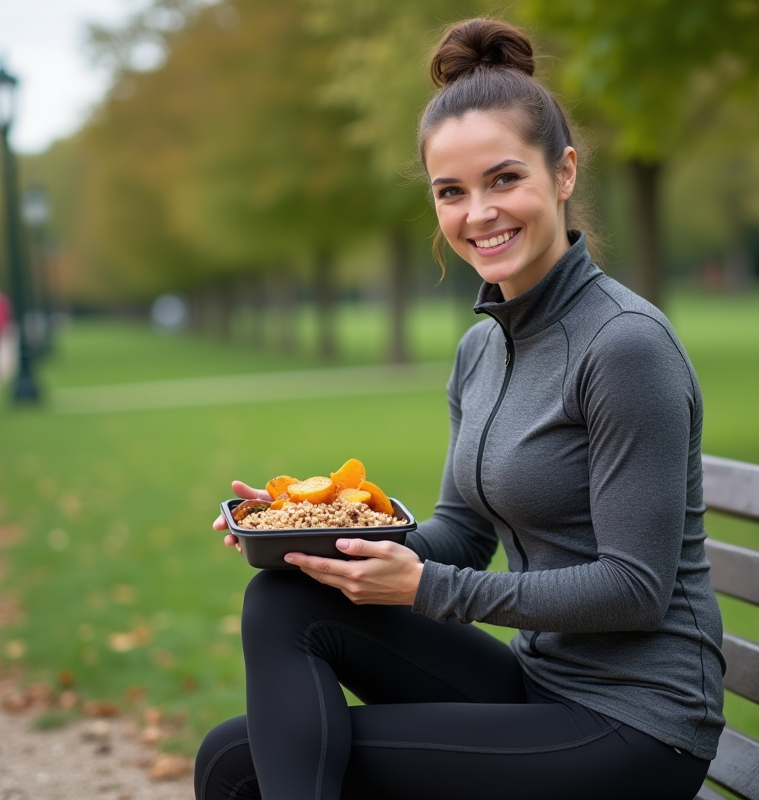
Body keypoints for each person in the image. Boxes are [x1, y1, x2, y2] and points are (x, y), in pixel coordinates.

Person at [197, 19, 724, 800]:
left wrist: (425, 588)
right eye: (453, 192)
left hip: (639, 725)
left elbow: (635, 589)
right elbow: (464, 533)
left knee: (241, 767)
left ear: (564, 173)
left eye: (504, 179)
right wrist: (311, 532)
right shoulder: (484, 349)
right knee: (281, 600)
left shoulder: (624, 345)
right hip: (544, 685)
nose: (479, 213)